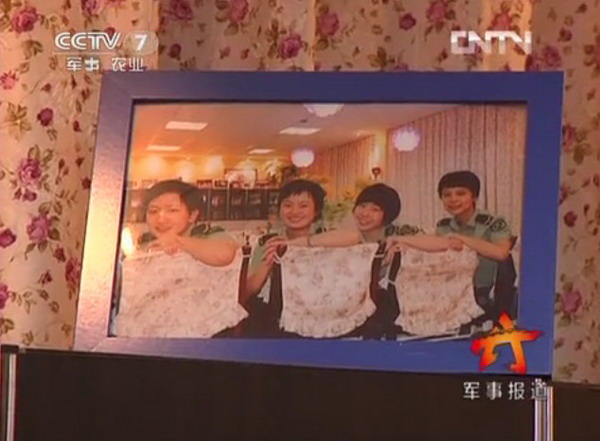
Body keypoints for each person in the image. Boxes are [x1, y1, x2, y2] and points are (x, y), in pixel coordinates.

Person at [435, 170, 515, 323]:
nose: (453, 199)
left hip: (484, 295)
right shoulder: (443, 226)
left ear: (474, 197)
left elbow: (501, 253)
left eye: (461, 193)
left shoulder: (493, 222)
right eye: (447, 195)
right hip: (449, 295)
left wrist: (461, 239)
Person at [244, 179, 327, 303]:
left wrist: (300, 243)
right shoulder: (268, 242)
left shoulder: (325, 242)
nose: (294, 211)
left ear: (316, 211)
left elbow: (354, 237)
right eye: (288, 205)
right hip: (275, 311)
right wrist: (268, 263)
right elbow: (247, 291)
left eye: (303, 206)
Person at [136, 179, 239, 267]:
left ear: (192, 215)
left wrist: (178, 242)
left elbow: (225, 255)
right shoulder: (145, 241)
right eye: (153, 211)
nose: (161, 220)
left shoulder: (209, 233)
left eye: (172, 210)